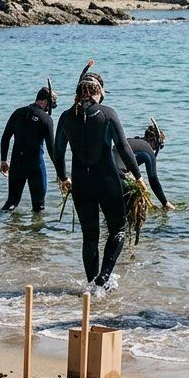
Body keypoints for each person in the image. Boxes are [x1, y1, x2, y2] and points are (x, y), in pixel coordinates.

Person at [53, 66, 143, 291]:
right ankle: (104, 276)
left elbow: (58, 152)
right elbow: (123, 147)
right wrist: (139, 177)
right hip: (107, 180)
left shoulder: (66, 117)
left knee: (90, 236)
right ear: (99, 92)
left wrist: (63, 177)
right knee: (118, 229)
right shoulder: (107, 114)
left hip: (81, 182)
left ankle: (92, 287)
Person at [0, 82, 57, 213]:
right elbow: (51, 148)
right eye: (50, 106)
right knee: (38, 206)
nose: (48, 110)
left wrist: (3, 160)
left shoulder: (18, 113)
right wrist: (60, 173)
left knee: (11, 202)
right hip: (36, 166)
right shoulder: (46, 119)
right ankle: (37, 227)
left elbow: (5, 137)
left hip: (17, 163)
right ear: (44, 101)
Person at [126, 119, 173, 209]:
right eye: (159, 146)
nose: (155, 149)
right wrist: (165, 203)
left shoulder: (130, 141)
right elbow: (153, 180)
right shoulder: (147, 149)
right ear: (152, 140)